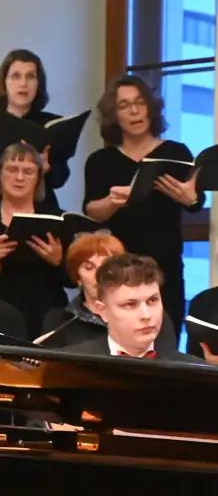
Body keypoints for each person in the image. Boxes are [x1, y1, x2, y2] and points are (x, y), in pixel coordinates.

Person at [83, 73, 197, 331]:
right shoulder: (101, 160)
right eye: (124, 105)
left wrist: (189, 198)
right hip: (118, 265)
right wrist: (112, 202)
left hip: (166, 264)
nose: (134, 111)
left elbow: (195, 201)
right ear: (114, 115)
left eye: (140, 102)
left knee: (165, 337)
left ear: (151, 108)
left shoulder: (176, 152)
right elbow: (91, 210)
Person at [0, 141, 69, 337]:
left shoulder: (58, 219)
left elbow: (73, 280)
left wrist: (58, 261)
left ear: (38, 178)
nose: (19, 177)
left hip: (45, 314)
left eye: (28, 171)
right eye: (12, 169)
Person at [0, 48, 70, 200]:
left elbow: (59, 181)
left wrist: (46, 169)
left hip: (39, 208)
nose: (23, 83)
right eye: (16, 76)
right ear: (4, 82)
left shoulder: (52, 125)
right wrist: (3, 178)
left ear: (39, 83)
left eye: (30, 76)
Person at [59, 252, 172, 359]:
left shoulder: (187, 369)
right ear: (102, 311)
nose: (146, 315)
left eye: (152, 300)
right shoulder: (69, 364)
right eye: (130, 304)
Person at [37, 231, 129, 348]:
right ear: (78, 277)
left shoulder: (139, 314)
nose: (99, 275)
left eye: (106, 266)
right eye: (89, 267)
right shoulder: (59, 321)